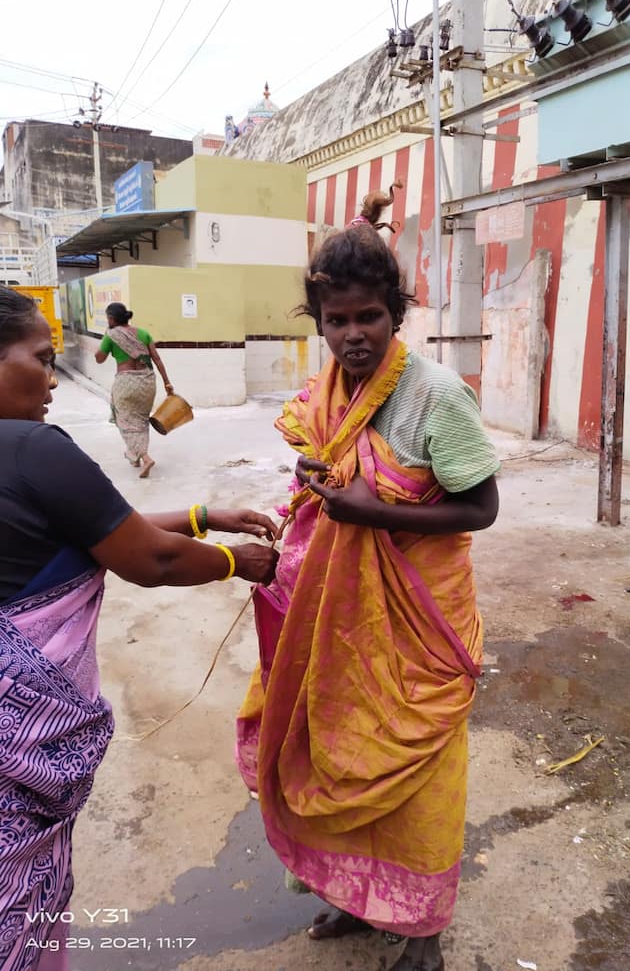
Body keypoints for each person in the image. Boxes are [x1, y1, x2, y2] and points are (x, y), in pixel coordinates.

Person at [236, 188, 500, 971]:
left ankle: (421, 929)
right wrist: (321, 480)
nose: (353, 336)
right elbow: (324, 460)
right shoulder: (330, 390)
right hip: (338, 620)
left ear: (396, 313)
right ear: (318, 321)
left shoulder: (435, 397)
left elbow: (479, 507)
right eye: (336, 321)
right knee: (332, 752)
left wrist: (369, 513)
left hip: (415, 628)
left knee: (412, 780)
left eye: (369, 319)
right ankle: (354, 897)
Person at [0, 285, 279, 970]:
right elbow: (143, 557)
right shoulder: (34, 448)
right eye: (39, 359)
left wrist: (205, 515)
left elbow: (99, 529)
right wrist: (233, 561)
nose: (51, 383)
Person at [94, 301, 171, 478]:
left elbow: (99, 358)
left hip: (126, 383)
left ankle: (145, 457)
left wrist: (106, 338)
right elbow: (157, 359)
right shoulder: (143, 333)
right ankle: (135, 457)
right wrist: (167, 382)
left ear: (112, 318)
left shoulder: (112, 335)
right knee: (141, 420)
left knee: (125, 421)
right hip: (147, 382)